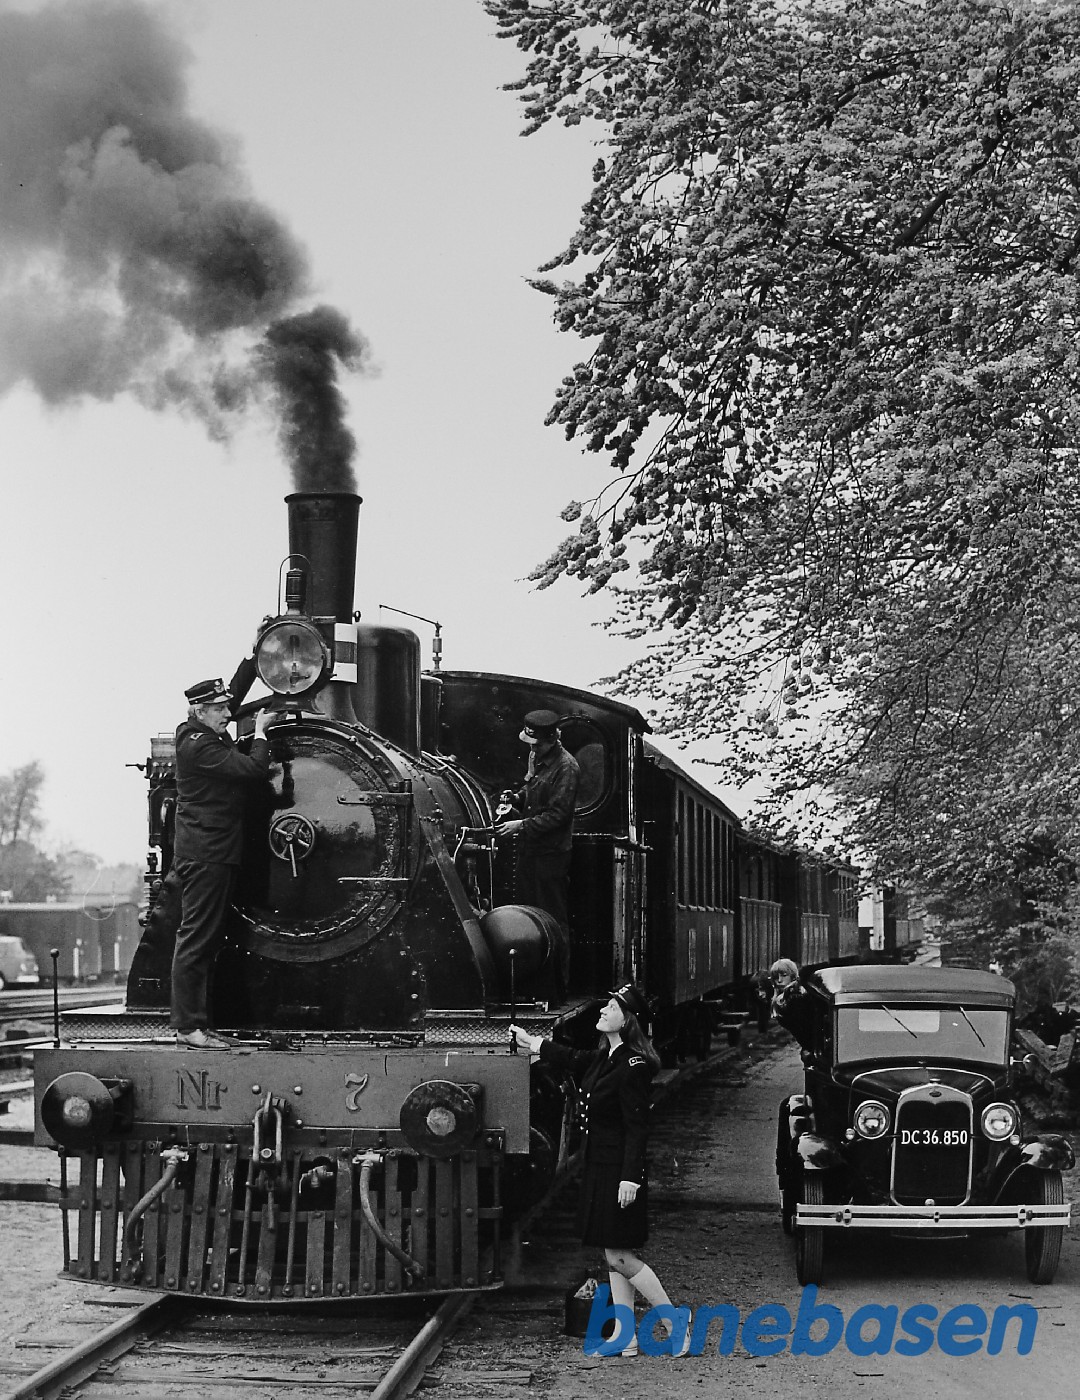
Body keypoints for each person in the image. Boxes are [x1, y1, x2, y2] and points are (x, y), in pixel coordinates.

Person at [511, 984, 688, 1358]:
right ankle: (625, 1336)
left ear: (627, 1021)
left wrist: (631, 1177)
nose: (602, 1011)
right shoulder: (607, 1057)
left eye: (611, 1007)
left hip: (617, 1172)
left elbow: (637, 1128)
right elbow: (574, 1057)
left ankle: (675, 1323)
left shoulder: (633, 1067)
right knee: (613, 1255)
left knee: (621, 1258)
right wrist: (534, 1042)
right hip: (600, 1167)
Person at [171, 676, 272, 1049]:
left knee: (205, 938)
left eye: (227, 707)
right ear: (200, 711)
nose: (228, 715)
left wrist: (251, 657)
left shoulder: (203, 732)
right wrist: (261, 733)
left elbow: (234, 694)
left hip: (214, 852)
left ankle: (199, 1023)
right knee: (196, 939)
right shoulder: (200, 747)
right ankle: (188, 1027)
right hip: (207, 854)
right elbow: (253, 770)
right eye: (220, 709)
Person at [495, 709, 579, 986]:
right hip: (531, 851)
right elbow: (533, 792)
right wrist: (516, 797)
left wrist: (520, 825)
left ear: (552, 739)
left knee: (553, 918)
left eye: (537, 744)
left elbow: (558, 815)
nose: (532, 748)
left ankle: (557, 984)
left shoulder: (567, 768)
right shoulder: (537, 757)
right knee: (529, 914)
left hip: (552, 854)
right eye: (530, 743)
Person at [768, 957, 814, 1050]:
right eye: (776, 977)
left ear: (793, 976)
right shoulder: (786, 998)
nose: (779, 980)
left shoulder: (797, 998)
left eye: (784, 975)